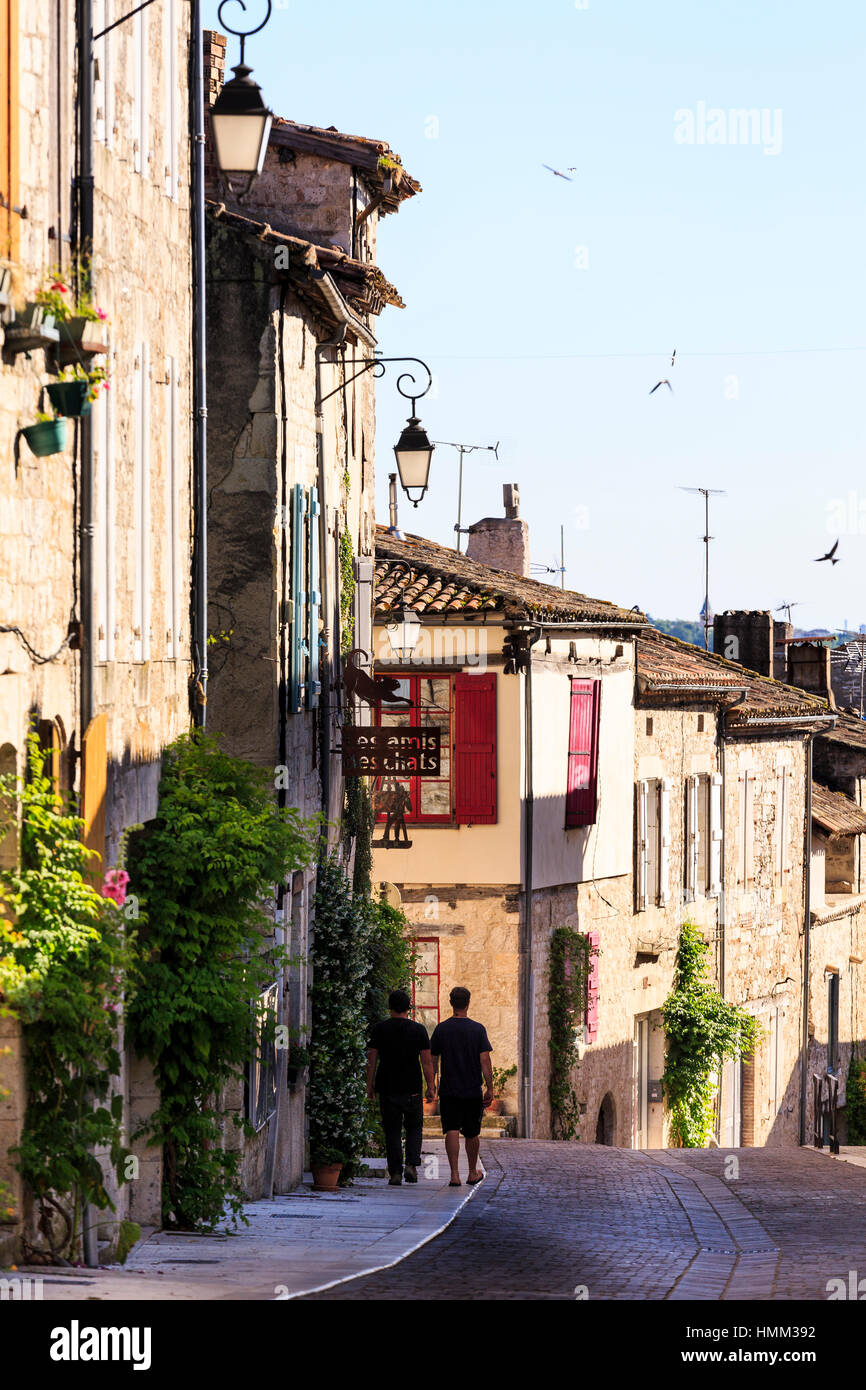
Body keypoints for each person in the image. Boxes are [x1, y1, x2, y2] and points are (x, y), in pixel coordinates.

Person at [366, 989, 436, 1185]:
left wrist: (369, 1085)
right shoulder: (419, 1030)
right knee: (414, 1128)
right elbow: (426, 1061)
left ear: (390, 1007)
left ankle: (395, 1172)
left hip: (387, 1087)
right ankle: (411, 1165)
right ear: (408, 1007)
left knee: (392, 1130)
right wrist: (430, 1086)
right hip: (411, 1086)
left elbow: (371, 1059)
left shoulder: (380, 1029)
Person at [429, 986, 493, 1187]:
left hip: (450, 1089)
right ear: (468, 1003)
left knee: (452, 1130)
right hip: (472, 1089)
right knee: (472, 1133)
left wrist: (432, 1084)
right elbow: (485, 1061)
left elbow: (433, 1060)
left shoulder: (441, 1029)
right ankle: (472, 1172)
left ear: (451, 1003)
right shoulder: (478, 1029)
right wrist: (489, 1087)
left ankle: (454, 1175)